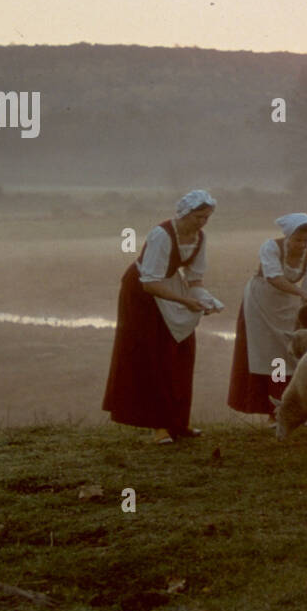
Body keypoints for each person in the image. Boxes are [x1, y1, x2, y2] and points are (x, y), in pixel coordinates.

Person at [103, 189, 222, 443]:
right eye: (198, 217)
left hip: (168, 288)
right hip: (142, 295)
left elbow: (194, 278)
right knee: (154, 356)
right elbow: (149, 283)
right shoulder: (162, 235)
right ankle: (159, 427)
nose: (202, 222)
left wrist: (204, 299)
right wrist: (186, 301)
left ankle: (179, 422)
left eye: (206, 218)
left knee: (182, 352)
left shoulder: (200, 238)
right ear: (184, 213)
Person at [227, 212, 307, 417]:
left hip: (288, 303)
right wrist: (301, 293)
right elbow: (274, 278)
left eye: (306, 240)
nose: (302, 245)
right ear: (287, 237)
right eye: (297, 240)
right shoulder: (271, 247)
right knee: (269, 355)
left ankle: (289, 407)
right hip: (260, 302)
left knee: (286, 352)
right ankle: (272, 409)